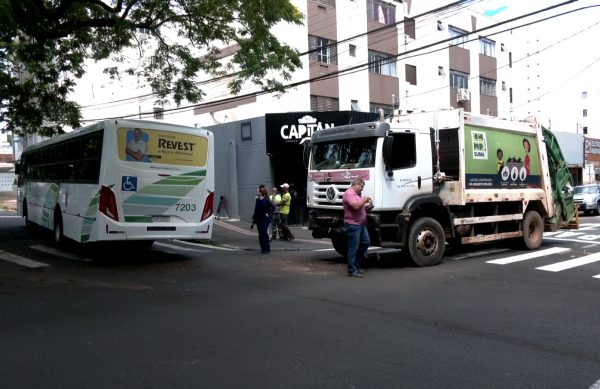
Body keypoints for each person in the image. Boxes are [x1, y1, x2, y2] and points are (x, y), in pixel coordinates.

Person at [343, 178, 372, 278]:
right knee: (353, 248)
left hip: (361, 224)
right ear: (357, 184)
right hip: (353, 225)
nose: (362, 189)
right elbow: (356, 207)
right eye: (362, 186)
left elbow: (361, 208)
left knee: (366, 242)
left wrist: (369, 206)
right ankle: (352, 270)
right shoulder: (349, 193)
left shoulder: (357, 195)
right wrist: (365, 199)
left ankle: (356, 265)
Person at [252, 186, 273, 254]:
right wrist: (254, 218)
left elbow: (273, 207)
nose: (256, 192)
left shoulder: (266, 200)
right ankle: (263, 249)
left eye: (257, 191)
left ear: (260, 193)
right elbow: (256, 210)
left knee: (264, 233)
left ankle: (267, 249)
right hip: (258, 219)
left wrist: (268, 214)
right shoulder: (257, 200)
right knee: (260, 234)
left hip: (265, 219)